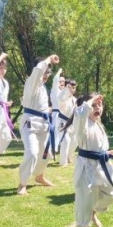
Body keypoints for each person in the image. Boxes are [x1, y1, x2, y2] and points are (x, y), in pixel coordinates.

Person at [68, 93, 113, 227]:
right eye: (94, 106)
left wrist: (106, 153)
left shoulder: (97, 123)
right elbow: (81, 112)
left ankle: (93, 212)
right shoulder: (81, 123)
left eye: (100, 105)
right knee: (85, 199)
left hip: (102, 167)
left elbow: (97, 145)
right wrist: (90, 100)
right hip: (87, 168)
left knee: (111, 195)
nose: (98, 108)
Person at [17, 54, 60, 195]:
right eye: (45, 71)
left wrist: (48, 110)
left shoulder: (42, 88)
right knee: (32, 153)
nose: (46, 74)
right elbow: (38, 71)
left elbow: (39, 105)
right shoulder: (32, 82)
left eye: (49, 72)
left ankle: (40, 176)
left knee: (45, 153)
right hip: (30, 124)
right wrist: (48, 59)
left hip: (43, 124)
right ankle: (22, 184)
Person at [57, 79, 77, 166]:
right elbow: (62, 98)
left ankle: (68, 156)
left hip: (72, 123)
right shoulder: (62, 96)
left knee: (75, 141)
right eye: (70, 87)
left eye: (73, 87)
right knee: (66, 141)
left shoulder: (74, 99)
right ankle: (63, 161)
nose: (72, 89)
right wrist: (67, 89)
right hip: (62, 122)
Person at [50, 69, 65, 154]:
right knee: (55, 131)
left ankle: (57, 148)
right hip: (56, 113)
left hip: (63, 114)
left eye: (63, 81)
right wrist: (59, 71)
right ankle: (53, 149)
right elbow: (55, 79)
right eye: (60, 81)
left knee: (61, 131)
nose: (62, 83)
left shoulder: (63, 92)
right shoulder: (55, 90)